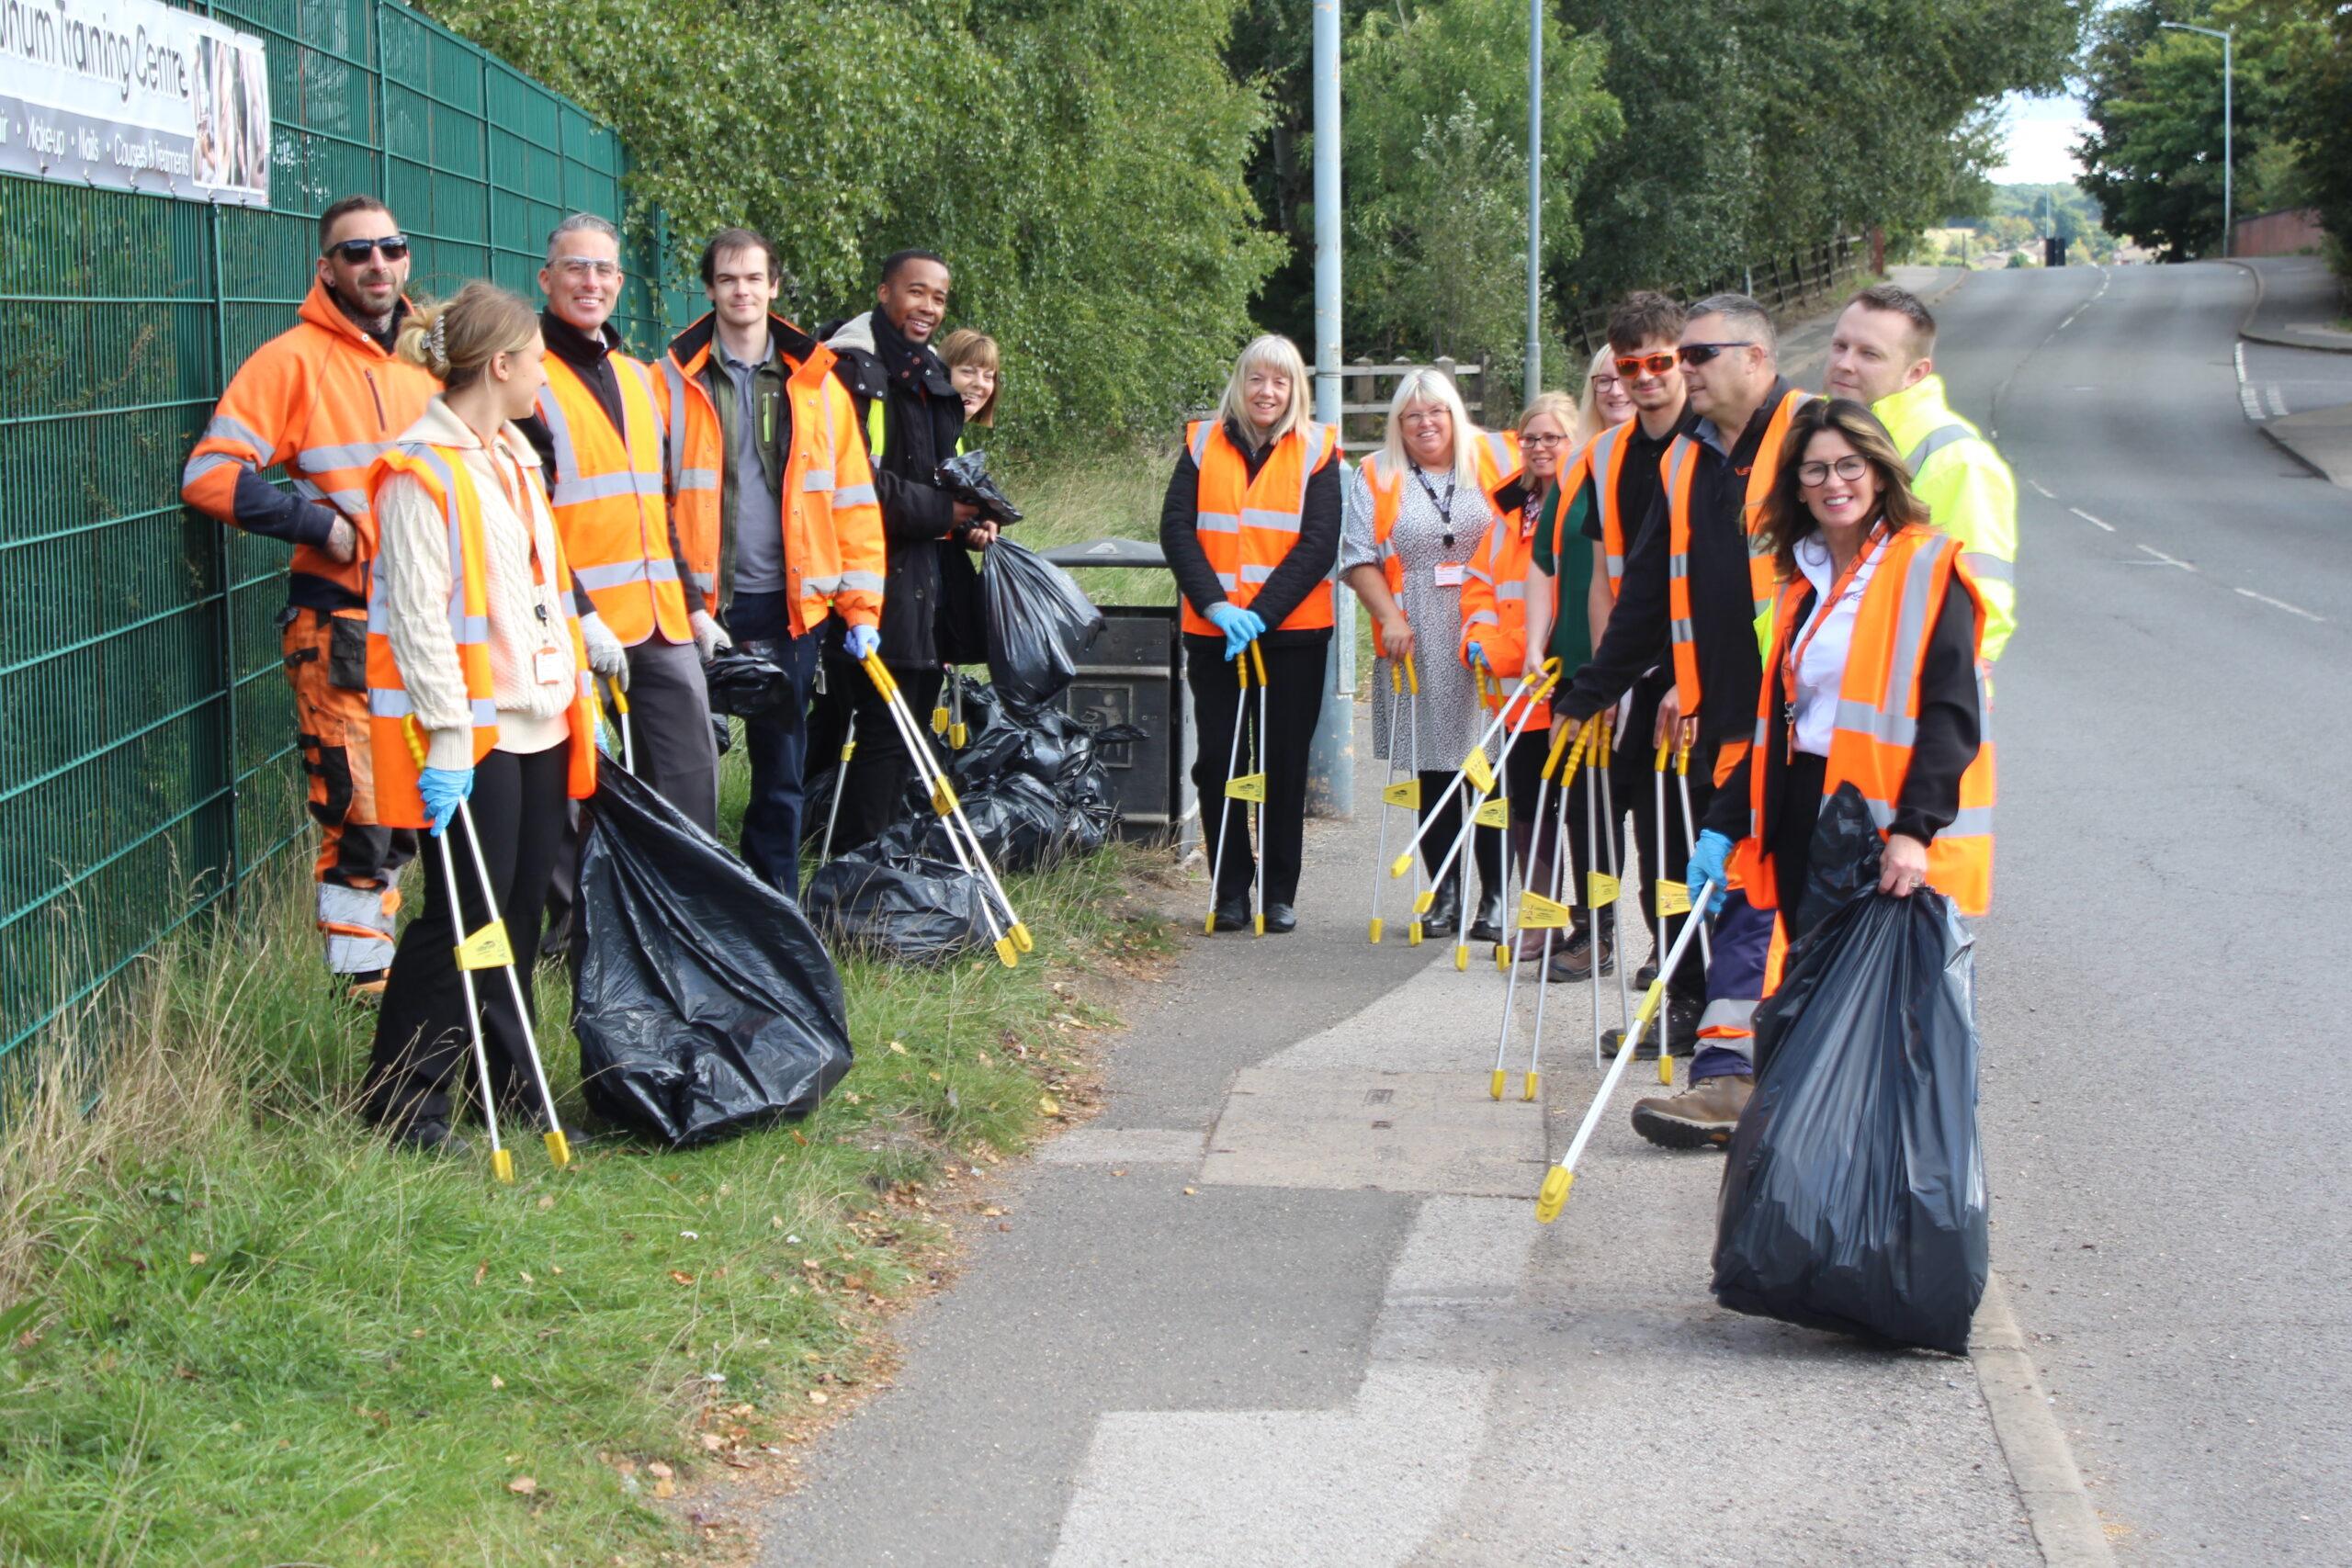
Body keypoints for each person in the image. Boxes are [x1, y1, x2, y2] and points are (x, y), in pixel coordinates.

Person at [1647, 400, 1991, 1146]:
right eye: (1815, 470)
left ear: (1878, 471)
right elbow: (1782, 721)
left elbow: (1952, 713)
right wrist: (1724, 823)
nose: (1834, 482)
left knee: (1868, 1015)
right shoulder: (1800, 579)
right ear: (1796, 486)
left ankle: (1870, 1184)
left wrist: (1913, 830)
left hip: (1873, 824)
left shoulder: (1928, 566)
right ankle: (1814, 1176)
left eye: (1848, 465)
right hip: (1800, 811)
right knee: (1809, 1003)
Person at [1547, 293, 1811, 1145]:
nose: (1682, 371)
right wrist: (1589, 691)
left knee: (1778, 908)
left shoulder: (1815, 440)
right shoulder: (1686, 462)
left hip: (1810, 724)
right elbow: (1648, 593)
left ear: (1756, 359)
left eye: (1696, 356)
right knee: (1740, 900)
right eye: (1675, 357)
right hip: (1729, 722)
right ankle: (1731, 1077)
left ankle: (1767, 1076)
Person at [358, 283, 599, 1152]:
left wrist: (581, 692)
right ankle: (401, 1098)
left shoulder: (517, 457)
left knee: (524, 909)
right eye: (537, 362)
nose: (545, 377)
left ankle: (506, 1077)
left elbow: (540, 594)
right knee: (466, 914)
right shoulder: (420, 470)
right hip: (475, 733)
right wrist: (451, 737)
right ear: (500, 366)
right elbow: (422, 622)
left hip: (540, 717)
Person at [180, 195, 437, 999]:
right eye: (355, 253)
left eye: (389, 249)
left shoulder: (436, 353)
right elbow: (209, 475)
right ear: (325, 268)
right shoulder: (293, 359)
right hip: (344, 624)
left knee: (438, 807)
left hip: (439, 623)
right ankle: (363, 1003)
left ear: (405, 259)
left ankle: (438, 989)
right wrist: (316, 524)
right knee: (362, 814)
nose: (376, 265)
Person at [654, 228, 886, 897]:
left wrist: (861, 608)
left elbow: (851, 504)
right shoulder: (668, 378)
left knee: (780, 771)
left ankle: (773, 905)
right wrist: (681, 605)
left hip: (790, 608)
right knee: (685, 767)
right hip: (700, 608)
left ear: (774, 286)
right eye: (728, 279)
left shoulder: (816, 384)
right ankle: (694, 904)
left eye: (753, 278)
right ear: (709, 289)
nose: (741, 290)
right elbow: (650, 499)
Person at [518, 213, 720, 834]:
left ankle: (689, 905)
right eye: (576, 267)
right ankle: (577, 927)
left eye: (603, 268)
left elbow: (657, 509)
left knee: (691, 768)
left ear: (620, 281)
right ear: (547, 279)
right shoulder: (525, 378)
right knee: (576, 784)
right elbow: (527, 519)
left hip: (659, 619)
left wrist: (693, 607)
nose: (591, 281)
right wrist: (580, 614)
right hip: (566, 623)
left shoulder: (638, 378)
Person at [1551, 296, 1699, 1033]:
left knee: (1678, 844)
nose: (1644, 379)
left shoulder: (1709, 446)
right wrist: (1605, 681)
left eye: (1658, 363)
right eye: (1629, 365)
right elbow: (1609, 578)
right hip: (1627, 673)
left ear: (1682, 361)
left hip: (1695, 676)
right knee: (1619, 825)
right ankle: (1659, 983)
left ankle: (1694, 994)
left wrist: (1685, 682)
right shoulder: (1605, 455)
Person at [1160, 334, 1340, 932]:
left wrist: (1259, 614)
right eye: (1257, 379)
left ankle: (1279, 891)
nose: (1268, 392)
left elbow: (1318, 544)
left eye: (1280, 381)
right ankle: (1229, 887)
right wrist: (1216, 606)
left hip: (1292, 636)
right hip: (1216, 634)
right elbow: (1177, 529)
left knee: (1284, 764)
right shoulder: (1201, 442)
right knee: (1219, 762)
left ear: (1296, 390)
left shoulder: (1319, 449)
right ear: (1241, 383)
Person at [1341, 368, 1521, 942]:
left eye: (1437, 411)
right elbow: (1356, 556)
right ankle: (1441, 890)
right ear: (1399, 424)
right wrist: (1390, 616)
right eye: (1413, 415)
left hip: (1488, 630)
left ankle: (1495, 897)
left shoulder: (1497, 460)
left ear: (1455, 414)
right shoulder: (1377, 473)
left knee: (1490, 768)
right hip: (1415, 634)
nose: (1426, 423)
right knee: (1435, 771)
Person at [815, 251, 982, 848]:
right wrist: (947, 513)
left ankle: (874, 859)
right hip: (864, 578)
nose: (928, 308)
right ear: (884, 292)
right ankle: (857, 870)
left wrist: (972, 521)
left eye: (939, 298)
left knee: (907, 725)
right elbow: (855, 485)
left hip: (926, 580)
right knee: (880, 730)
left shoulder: (934, 373)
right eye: (917, 293)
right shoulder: (849, 367)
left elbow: (947, 475)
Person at [1824, 284, 2018, 662]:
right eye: (1839, 346)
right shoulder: (1824, 433)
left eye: (1869, 354)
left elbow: (1982, 601)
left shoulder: (1957, 459)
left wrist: (1949, 704)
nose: (1845, 363)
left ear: (1916, 372)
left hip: (1903, 698)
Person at [1459, 391, 1579, 960]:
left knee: (1573, 813)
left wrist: (1511, 651)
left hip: (1560, 687)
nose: (1538, 448)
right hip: (1513, 696)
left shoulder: (1582, 507)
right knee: (1528, 811)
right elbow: (1479, 587)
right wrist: (1482, 643)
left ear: (1573, 442)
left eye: (1551, 437)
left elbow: (1567, 601)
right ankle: (1539, 920)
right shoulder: (1507, 512)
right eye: (1530, 437)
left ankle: (1580, 925)